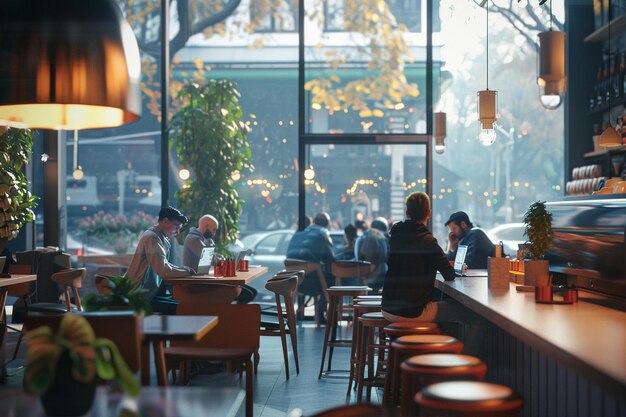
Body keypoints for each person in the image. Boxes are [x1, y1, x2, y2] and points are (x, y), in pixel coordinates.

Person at [381, 192, 484, 354]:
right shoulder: (427, 239)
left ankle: (428, 355)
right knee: (474, 316)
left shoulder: (395, 235)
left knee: (443, 308)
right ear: (428, 213)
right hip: (412, 312)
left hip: (387, 307)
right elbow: (449, 274)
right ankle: (461, 364)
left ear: (407, 213)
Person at [125, 206, 194, 314]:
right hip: (139, 297)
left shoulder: (158, 237)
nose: (178, 231)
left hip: (148, 295)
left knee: (182, 304)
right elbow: (164, 270)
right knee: (183, 308)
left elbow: (165, 265)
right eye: (176, 226)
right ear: (165, 221)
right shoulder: (152, 238)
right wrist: (187, 272)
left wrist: (185, 270)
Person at [183, 214, 257, 303]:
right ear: (206, 225)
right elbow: (209, 257)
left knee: (250, 291)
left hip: (202, 279)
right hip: (195, 283)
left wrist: (218, 256)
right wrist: (219, 258)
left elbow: (212, 256)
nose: (214, 233)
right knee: (247, 293)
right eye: (213, 229)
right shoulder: (193, 239)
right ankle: (230, 314)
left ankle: (229, 314)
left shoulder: (201, 239)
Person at [286, 212, 335, 322]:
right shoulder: (323, 233)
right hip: (313, 283)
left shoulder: (298, 232)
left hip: (294, 281)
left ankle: (299, 312)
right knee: (332, 280)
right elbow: (330, 258)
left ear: (313, 222)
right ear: (327, 225)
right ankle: (321, 314)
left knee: (313, 270)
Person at [354, 217, 389, 292]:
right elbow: (371, 259)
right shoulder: (375, 238)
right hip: (375, 279)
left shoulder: (370, 237)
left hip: (373, 279)